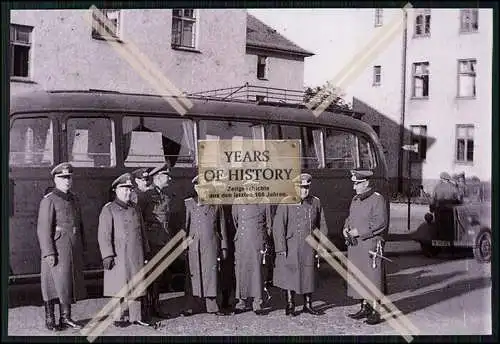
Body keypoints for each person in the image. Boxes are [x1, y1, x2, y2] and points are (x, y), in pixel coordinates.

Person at [97, 172, 155, 328]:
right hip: (118, 255)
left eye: (130, 189)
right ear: (116, 190)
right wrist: (107, 255)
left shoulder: (135, 208)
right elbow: (104, 235)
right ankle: (117, 317)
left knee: (136, 285)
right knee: (118, 285)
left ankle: (136, 317)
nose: (128, 192)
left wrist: (146, 250)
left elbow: (141, 231)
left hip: (135, 254)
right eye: (124, 189)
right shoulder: (109, 209)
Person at [36, 162, 86, 331]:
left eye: (69, 177)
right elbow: (43, 229)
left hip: (71, 247)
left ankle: (66, 317)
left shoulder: (74, 199)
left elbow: (79, 225)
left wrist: (82, 246)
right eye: (63, 177)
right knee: (51, 285)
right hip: (56, 248)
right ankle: (50, 318)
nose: (67, 181)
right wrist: (49, 252)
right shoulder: (49, 200)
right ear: (55, 179)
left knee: (67, 283)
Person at [273, 173, 328, 316]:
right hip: (291, 246)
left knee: (308, 275)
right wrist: (281, 248)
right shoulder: (286, 202)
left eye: (307, 187)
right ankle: (290, 304)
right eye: (301, 188)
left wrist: (321, 244)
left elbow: (322, 224)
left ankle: (308, 304)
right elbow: (278, 227)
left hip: (309, 246)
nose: (304, 191)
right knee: (290, 275)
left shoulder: (315, 202)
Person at [343, 169, 388, 325]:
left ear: (366, 183)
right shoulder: (356, 199)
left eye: (357, 184)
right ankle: (364, 307)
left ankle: (376, 310)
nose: (354, 187)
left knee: (373, 278)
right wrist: (346, 227)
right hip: (357, 246)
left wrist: (359, 231)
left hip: (370, 244)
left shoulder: (377, 199)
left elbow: (380, 223)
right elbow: (350, 217)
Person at [182, 175, 229, 316]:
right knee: (193, 275)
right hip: (194, 246)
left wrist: (224, 246)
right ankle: (194, 305)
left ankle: (212, 306)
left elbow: (222, 227)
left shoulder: (216, 204)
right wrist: (183, 248)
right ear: (196, 188)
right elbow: (184, 227)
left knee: (211, 274)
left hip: (211, 245)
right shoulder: (188, 204)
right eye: (200, 187)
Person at [231, 180, 273, 315]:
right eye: (248, 187)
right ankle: (241, 302)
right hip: (242, 242)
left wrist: (264, 241)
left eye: (254, 187)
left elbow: (269, 225)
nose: (251, 190)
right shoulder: (238, 201)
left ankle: (257, 302)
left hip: (258, 243)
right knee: (241, 272)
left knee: (258, 272)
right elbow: (235, 221)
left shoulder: (265, 201)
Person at [140, 164, 174, 319]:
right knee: (150, 275)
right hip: (151, 241)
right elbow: (140, 219)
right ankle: (146, 309)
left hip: (163, 240)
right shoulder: (146, 196)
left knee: (159, 275)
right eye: (167, 176)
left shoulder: (166, 196)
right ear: (158, 177)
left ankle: (155, 306)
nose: (170, 178)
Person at [430, 172, 461, 240]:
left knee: (439, 224)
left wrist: (432, 207)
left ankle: (440, 239)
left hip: (439, 209)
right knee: (449, 225)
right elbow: (458, 198)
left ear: (443, 179)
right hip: (450, 209)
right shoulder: (453, 187)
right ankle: (449, 240)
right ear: (448, 179)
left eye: (441, 178)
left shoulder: (437, 187)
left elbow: (433, 198)